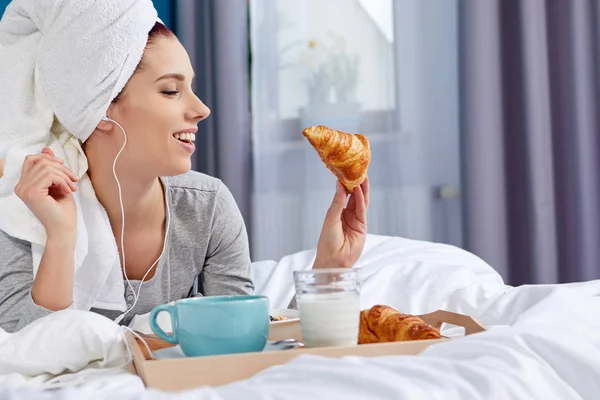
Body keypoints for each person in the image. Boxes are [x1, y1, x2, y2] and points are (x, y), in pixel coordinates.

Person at [0, 22, 369, 333]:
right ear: (98, 111)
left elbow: (243, 335)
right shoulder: (28, 206)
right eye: (171, 91)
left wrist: (329, 270)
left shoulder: (206, 205)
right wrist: (61, 238)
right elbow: (20, 353)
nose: (202, 109)